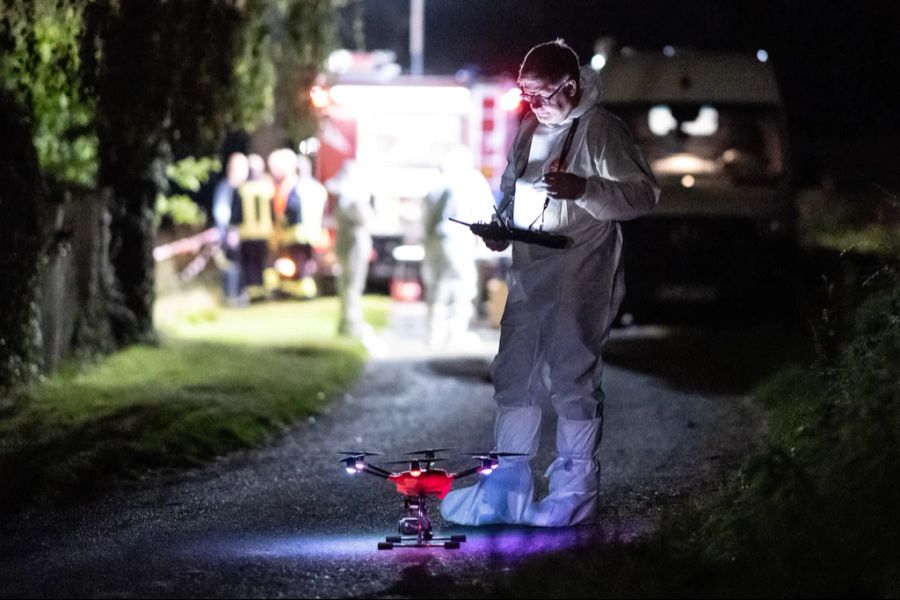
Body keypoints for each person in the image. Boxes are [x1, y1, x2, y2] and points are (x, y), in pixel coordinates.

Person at [440, 39, 660, 527]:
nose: (534, 105)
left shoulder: (601, 130)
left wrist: (586, 189)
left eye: (543, 95)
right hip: (529, 269)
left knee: (570, 377)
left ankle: (575, 491)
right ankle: (507, 485)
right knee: (514, 373)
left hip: (579, 269)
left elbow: (643, 195)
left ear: (572, 86)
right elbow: (512, 189)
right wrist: (499, 227)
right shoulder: (527, 130)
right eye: (527, 95)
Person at [421, 145, 493, 348]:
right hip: (457, 241)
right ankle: (455, 334)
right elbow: (485, 212)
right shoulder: (471, 180)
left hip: (435, 242)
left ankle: (434, 333)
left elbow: (425, 217)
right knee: (462, 286)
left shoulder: (437, 182)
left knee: (437, 288)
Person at [326, 160, 374, 337]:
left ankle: (348, 322)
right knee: (352, 284)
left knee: (349, 284)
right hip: (353, 243)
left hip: (348, 242)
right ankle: (351, 323)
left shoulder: (344, 195)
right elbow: (363, 218)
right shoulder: (351, 197)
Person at [281, 154, 329, 298]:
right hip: (315, 233)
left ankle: (302, 290)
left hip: (299, 233)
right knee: (310, 262)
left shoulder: (296, 188)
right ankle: (310, 288)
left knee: (299, 262)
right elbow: (325, 211)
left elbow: (291, 209)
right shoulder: (319, 188)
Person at [211, 153, 249, 304]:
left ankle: (240, 296)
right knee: (232, 266)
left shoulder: (246, 188)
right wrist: (229, 231)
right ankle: (232, 297)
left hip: (246, 236)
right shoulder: (227, 188)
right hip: (231, 235)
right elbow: (222, 212)